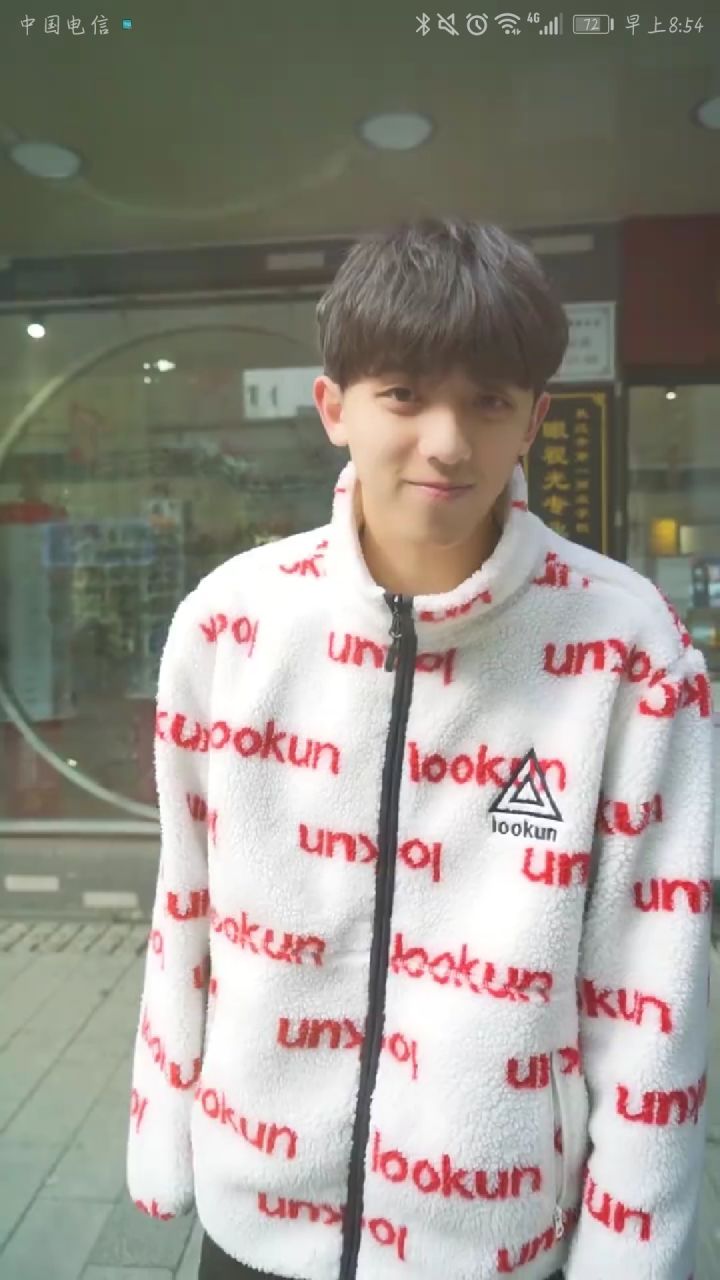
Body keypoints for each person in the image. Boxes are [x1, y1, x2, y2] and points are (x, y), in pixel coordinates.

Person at [126, 217, 714, 1280]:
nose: (447, 441)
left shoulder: (628, 648)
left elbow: (654, 977)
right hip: (256, 1216)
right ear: (333, 407)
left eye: (488, 400)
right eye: (403, 393)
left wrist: (631, 1251)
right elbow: (187, 898)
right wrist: (166, 1124)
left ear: (534, 417)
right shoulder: (232, 623)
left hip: (495, 1238)